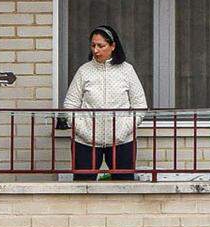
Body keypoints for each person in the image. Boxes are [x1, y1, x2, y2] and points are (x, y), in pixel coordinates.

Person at [61, 26, 147, 179]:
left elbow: (140, 105)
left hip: (122, 141)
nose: (96, 50)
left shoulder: (127, 70)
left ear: (113, 46)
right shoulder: (84, 71)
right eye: (93, 45)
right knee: (83, 188)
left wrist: (123, 130)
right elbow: (70, 105)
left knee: (124, 188)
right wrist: (85, 132)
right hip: (86, 142)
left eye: (101, 46)